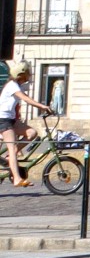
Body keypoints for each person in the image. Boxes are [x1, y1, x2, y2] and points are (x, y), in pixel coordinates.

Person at [2, 59, 56, 189]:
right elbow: (26, 99)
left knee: (32, 133)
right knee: (12, 148)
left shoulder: (17, 85)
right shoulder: (12, 85)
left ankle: (10, 157)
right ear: (21, 74)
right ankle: (17, 179)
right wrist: (42, 106)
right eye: (28, 73)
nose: (29, 75)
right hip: (2, 119)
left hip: (11, 119)